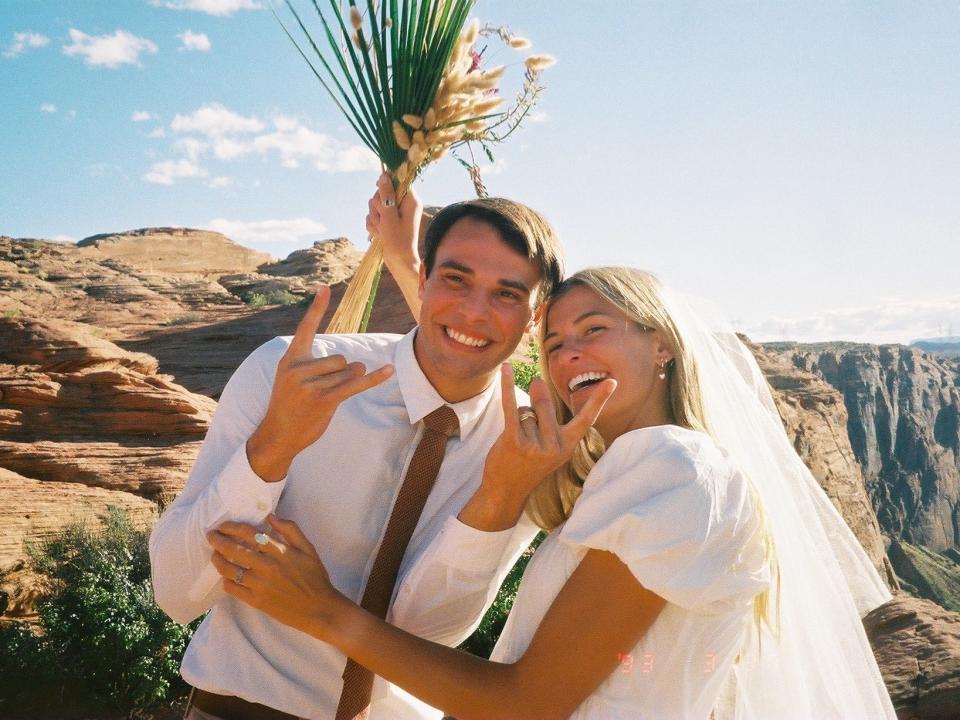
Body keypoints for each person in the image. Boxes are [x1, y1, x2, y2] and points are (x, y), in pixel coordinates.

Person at [208, 267, 898, 719]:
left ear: (662, 345)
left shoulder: (673, 468)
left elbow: (531, 702)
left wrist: (324, 612)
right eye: (556, 341)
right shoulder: (634, 470)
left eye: (595, 330)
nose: (569, 355)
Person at [149, 173, 568, 719]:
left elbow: (429, 632)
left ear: (536, 316)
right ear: (422, 282)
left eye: (507, 294)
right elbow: (177, 595)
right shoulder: (291, 372)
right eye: (456, 279)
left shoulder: (530, 447)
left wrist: (499, 497)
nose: (472, 311)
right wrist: (275, 445)